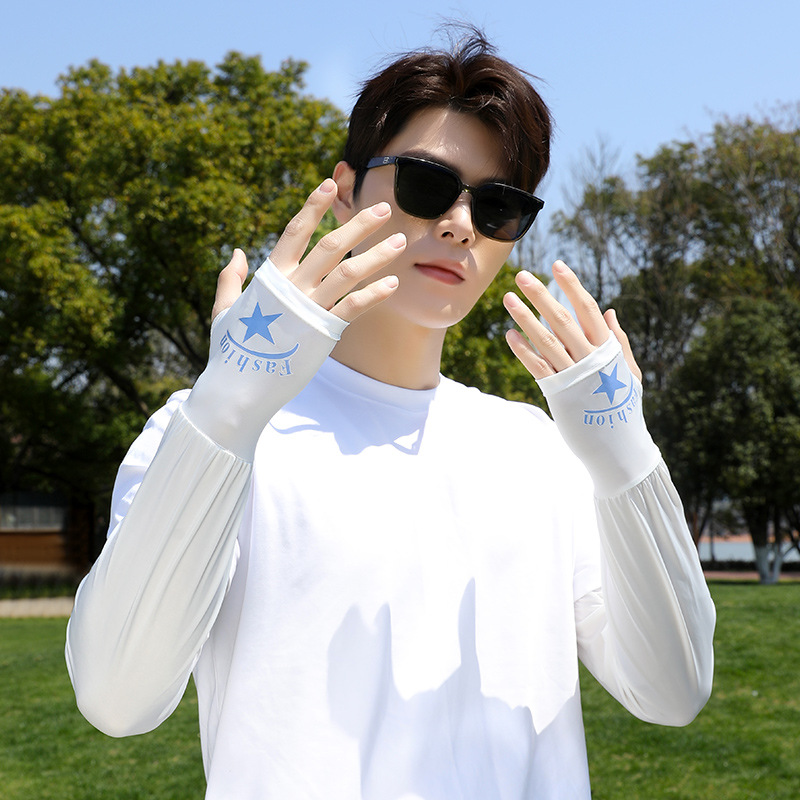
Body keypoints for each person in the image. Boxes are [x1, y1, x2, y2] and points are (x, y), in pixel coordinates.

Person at [66, 31, 715, 799]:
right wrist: (224, 415)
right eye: (426, 183)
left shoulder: (540, 449)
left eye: (499, 206)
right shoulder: (216, 431)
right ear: (345, 190)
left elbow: (673, 692)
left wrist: (628, 459)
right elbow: (117, 697)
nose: (461, 224)